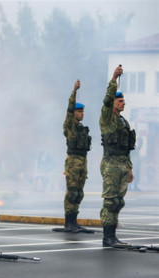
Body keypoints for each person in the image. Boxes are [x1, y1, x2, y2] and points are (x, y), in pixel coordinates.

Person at [99, 65, 136, 247]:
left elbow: (127, 148)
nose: (124, 104)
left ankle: (113, 236)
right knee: (110, 201)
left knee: (119, 202)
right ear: (113, 103)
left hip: (122, 163)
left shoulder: (123, 122)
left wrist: (129, 168)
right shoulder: (107, 117)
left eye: (123, 101)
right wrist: (114, 78)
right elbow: (106, 101)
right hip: (111, 164)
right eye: (120, 101)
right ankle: (107, 237)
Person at [62, 80, 91, 232]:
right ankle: (69, 221)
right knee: (72, 191)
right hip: (73, 161)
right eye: (79, 111)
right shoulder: (70, 125)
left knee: (79, 192)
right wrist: (74, 90)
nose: (82, 114)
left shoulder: (81, 128)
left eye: (83, 111)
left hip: (82, 160)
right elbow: (69, 108)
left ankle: (74, 220)